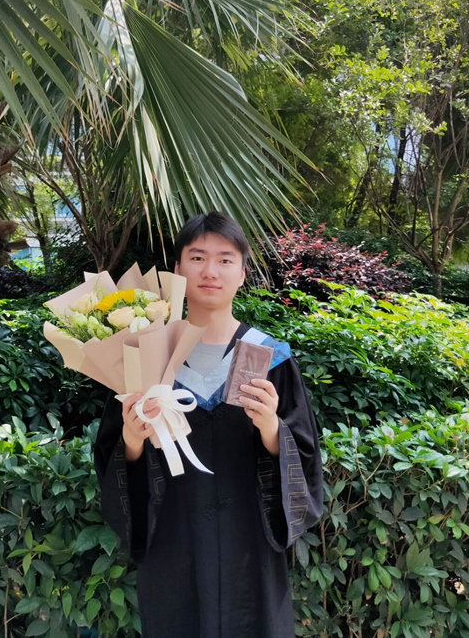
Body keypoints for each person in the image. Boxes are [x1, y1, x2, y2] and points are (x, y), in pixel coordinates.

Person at [94, 212, 324, 638]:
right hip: (174, 546)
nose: (210, 271)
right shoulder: (143, 358)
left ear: (242, 272)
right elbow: (114, 460)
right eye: (197, 258)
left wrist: (271, 429)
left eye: (225, 259)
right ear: (178, 269)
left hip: (249, 552)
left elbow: (306, 459)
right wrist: (131, 439)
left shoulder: (270, 359)